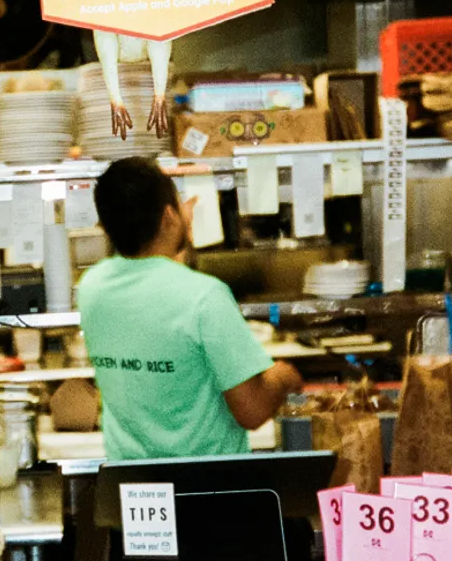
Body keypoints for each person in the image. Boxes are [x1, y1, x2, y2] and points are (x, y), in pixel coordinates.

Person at [76, 157, 304, 461]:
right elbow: (251, 411)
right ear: (169, 216)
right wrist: (285, 376)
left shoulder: (92, 286)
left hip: (132, 488)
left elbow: (154, 292)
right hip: (205, 489)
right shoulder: (205, 297)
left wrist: (176, 242)